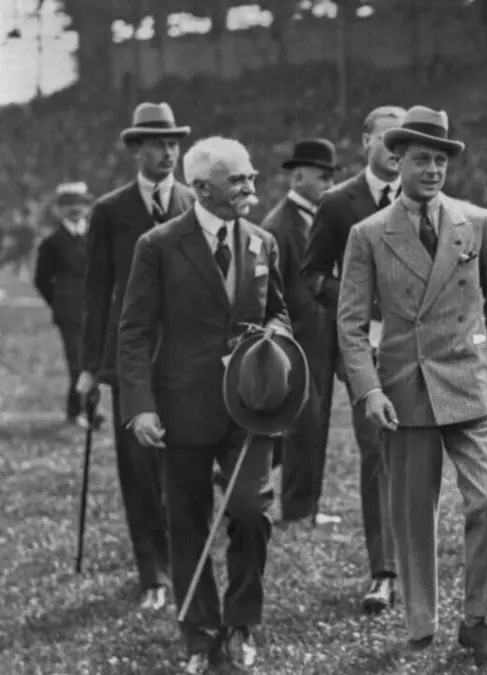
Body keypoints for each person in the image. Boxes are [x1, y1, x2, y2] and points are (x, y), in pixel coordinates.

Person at [338, 105, 487, 666]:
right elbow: (349, 324)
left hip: (469, 382)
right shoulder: (369, 234)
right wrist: (369, 389)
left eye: (441, 160)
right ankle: (422, 620)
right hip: (404, 388)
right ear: (398, 161)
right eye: (422, 159)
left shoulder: (476, 221)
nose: (433, 170)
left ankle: (481, 618)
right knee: (414, 513)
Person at [118, 136, 290, 673]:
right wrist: (141, 406)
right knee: (188, 522)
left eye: (250, 176)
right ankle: (200, 635)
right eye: (237, 179)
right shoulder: (158, 245)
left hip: (250, 407)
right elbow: (134, 331)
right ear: (201, 188)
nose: (250, 186)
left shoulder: (263, 242)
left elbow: (278, 310)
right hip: (182, 408)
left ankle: (241, 624)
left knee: (251, 513)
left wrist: (273, 341)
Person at [76, 101, 195, 611]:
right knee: (139, 468)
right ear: (136, 151)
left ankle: (185, 559)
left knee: (184, 463)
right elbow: (96, 291)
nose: (168, 153)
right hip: (131, 357)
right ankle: (153, 573)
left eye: (173, 144)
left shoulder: (195, 201)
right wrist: (88, 367)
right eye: (157, 144)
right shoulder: (110, 211)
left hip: (188, 357)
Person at [300, 106, 405, 613]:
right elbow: (312, 275)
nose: (395, 148)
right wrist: (359, 298)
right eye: (386, 138)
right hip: (364, 347)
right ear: (365, 143)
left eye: (403, 138)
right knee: (377, 449)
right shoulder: (338, 203)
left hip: (421, 347)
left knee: (417, 452)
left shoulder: (425, 195)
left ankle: (417, 556)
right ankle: (384, 572)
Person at [261, 138, 340, 527]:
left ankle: (307, 504)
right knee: (302, 426)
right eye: (321, 177)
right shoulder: (278, 226)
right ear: (298, 177)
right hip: (294, 341)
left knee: (316, 423)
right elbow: (267, 292)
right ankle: (297, 509)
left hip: (322, 337)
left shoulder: (321, 219)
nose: (328, 184)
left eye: (331, 177)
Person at [34, 182, 100, 428]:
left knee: (94, 363)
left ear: (87, 207)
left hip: (96, 311)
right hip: (69, 313)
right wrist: (59, 303)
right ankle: (76, 411)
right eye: (69, 204)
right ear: (59, 209)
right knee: (77, 364)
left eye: (80, 203)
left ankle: (91, 411)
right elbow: (41, 280)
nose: (75, 209)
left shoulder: (96, 238)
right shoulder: (52, 243)